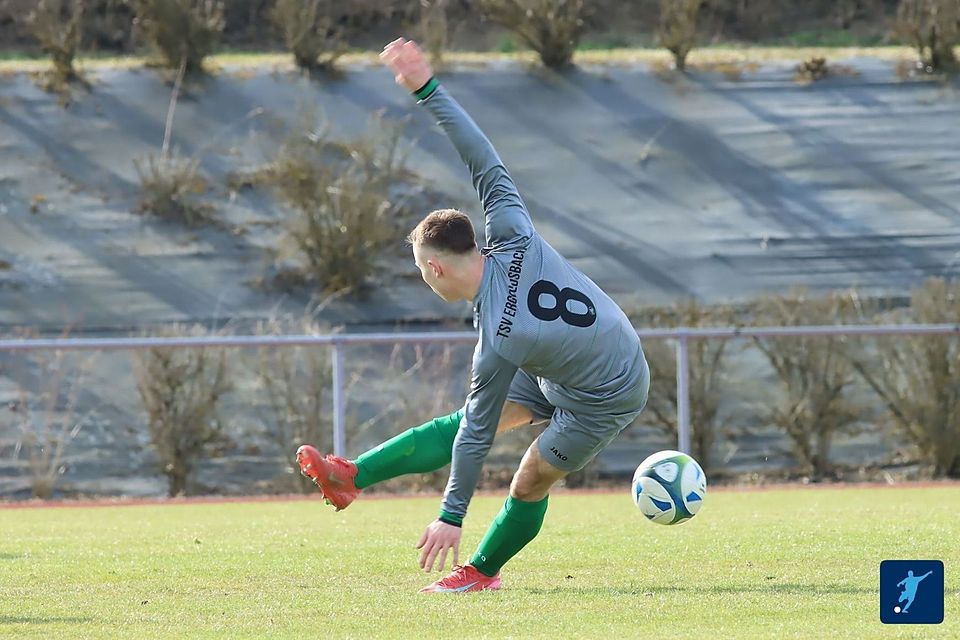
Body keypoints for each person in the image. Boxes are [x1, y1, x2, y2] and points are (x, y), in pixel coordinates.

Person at [296, 37, 649, 594]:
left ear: (437, 268)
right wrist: (427, 90)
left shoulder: (502, 338)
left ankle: (483, 572)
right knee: (465, 422)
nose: (422, 277)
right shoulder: (511, 231)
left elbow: (477, 436)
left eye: (420, 269)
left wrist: (451, 515)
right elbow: (480, 154)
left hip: (608, 391)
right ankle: (352, 475)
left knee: (529, 478)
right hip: (569, 358)